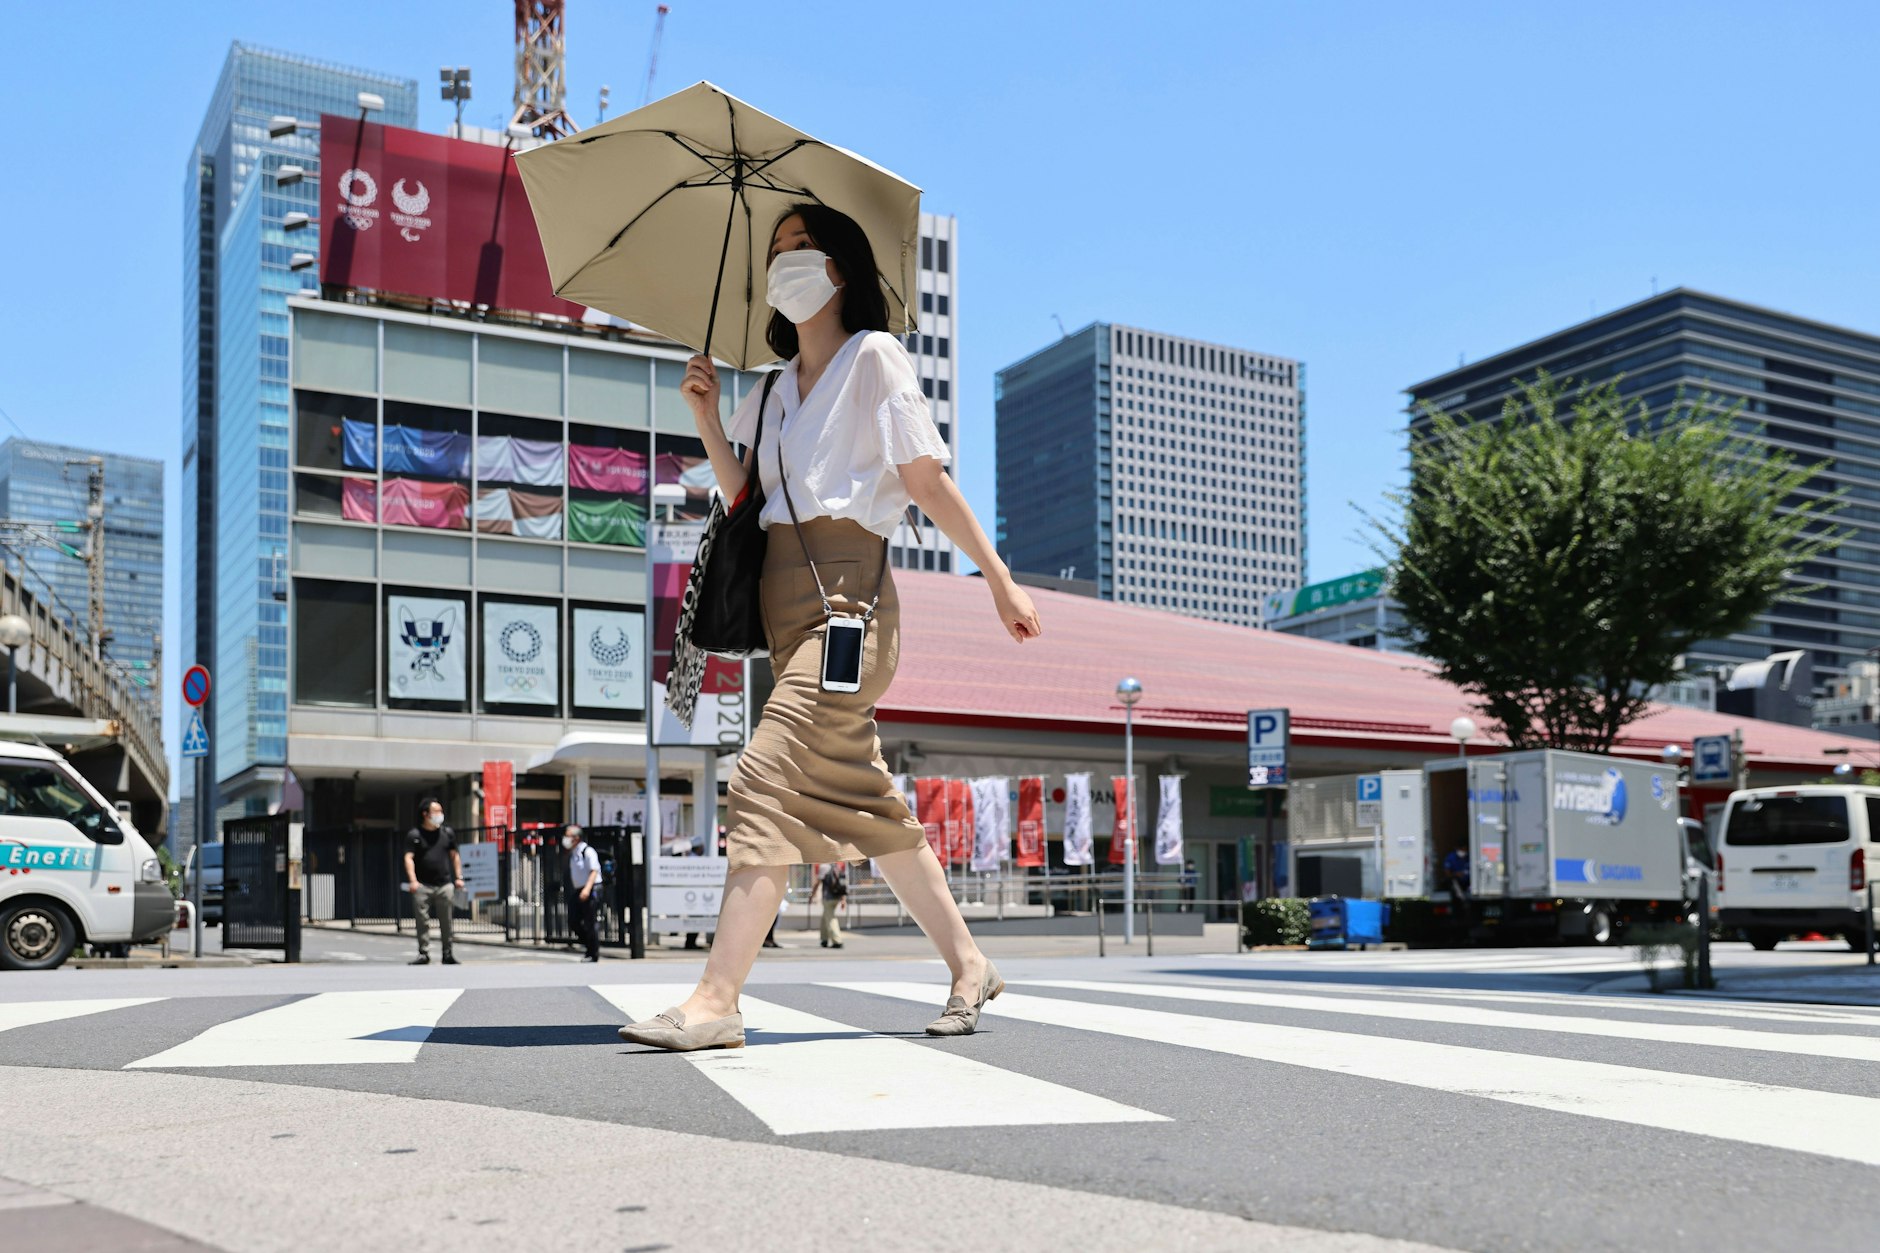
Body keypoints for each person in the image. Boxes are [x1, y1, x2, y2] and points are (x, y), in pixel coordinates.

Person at [619, 204, 1042, 1052]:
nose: (787, 261)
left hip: (850, 609)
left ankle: (716, 998)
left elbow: (924, 479)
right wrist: (707, 414)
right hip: (786, 616)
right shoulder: (771, 387)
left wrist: (996, 576)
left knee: (765, 776)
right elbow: (749, 498)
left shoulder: (874, 358)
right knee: (871, 805)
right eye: (776, 250)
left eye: (802, 246)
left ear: (841, 267)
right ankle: (969, 963)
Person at [404, 797, 462, 966]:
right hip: (422, 885)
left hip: (445, 884)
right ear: (425, 814)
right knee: (422, 920)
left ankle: (447, 952)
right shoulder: (414, 835)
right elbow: (408, 858)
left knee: (447, 920)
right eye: (436, 811)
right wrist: (413, 881)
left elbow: (455, 856)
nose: (440, 815)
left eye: (441, 811)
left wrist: (459, 877)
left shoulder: (447, 833)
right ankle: (424, 953)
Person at [563, 824, 602, 962]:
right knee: (573, 920)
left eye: (568, 836)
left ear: (576, 838)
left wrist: (587, 889)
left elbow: (594, 870)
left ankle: (593, 953)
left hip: (591, 888)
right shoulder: (574, 853)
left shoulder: (587, 851)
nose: (565, 839)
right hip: (579, 889)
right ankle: (589, 946)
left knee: (590, 921)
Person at [810, 861, 847, 949]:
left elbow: (817, 883)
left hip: (827, 898)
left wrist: (812, 895)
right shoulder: (838, 867)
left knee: (831, 918)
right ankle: (824, 939)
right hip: (836, 897)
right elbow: (842, 884)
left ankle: (837, 940)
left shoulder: (823, 867)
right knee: (825, 917)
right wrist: (843, 900)